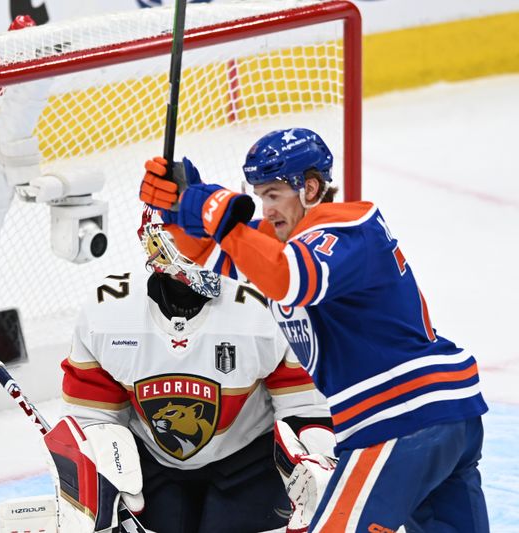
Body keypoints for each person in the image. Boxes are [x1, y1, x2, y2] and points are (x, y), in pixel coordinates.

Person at [139, 127, 489, 532]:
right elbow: (212, 254)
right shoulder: (288, 241)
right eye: (259, 195)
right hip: (441, 415)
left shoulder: (348, 226)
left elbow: (286, 277)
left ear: (310, 187)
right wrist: (178, 208)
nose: (265, 209)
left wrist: (218, 216)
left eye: (273, 194)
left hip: (402, 419)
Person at [52, 208, 335, 533]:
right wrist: (104, 481)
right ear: (158, 245)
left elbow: (305, 410)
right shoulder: (108, 314)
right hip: (153, 467)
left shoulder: (266, 307)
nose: (211, 249)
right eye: (196, 238)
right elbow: (90, 421)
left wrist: (315, 470)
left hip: (250, 462)